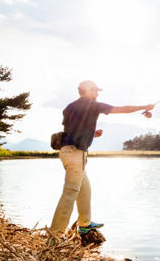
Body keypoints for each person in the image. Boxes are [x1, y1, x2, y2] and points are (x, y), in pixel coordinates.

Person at [50, 80, 154, 236]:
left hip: (70, 153)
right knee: (70, 193)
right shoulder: (93, 105)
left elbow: (72, 129)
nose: (98, 94)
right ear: (87, 90)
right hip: (75, 154)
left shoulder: (69, 107)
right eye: (96, 91)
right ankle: (55, 236)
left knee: (85, 190)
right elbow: (122, 109)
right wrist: (144, 107)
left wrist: (92, 134)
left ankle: (85, 225)